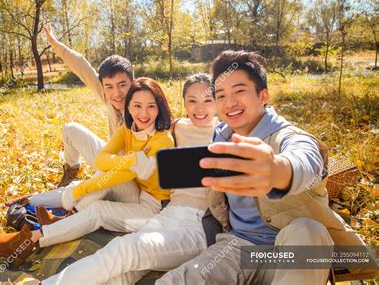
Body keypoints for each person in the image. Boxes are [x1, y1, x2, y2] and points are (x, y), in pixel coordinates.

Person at [156, 50, 371, 284]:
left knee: (308, 230)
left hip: (289, 253)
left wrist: (277, 170)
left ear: (263, 95)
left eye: (239, 91)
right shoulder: (220, 136)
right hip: (238, 248)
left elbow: (307, 158)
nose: (229, 103)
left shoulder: (287, 136)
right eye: (221, 95)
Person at [39, 73, 220, 284]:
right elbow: (144, 122)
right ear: (184, 103)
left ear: (218, 101)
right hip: (168, 214)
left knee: (125, 249)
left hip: (199, 224)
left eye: (208, 100)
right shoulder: (177, 128)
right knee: (126, 271)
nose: (200, 108)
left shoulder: (226, 135)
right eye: (192, 101)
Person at [0, 78, 174, 265]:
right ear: (129, 106)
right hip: (136, 192)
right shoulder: (127, 130)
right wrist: (133, 158)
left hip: (153, 209)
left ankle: (29, 241)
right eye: (137, 105)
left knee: (98, 203)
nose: (144, 113)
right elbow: (101, 160)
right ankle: (44, 207)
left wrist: (81, 191)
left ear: (160, 107)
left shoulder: (162, 140)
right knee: (98, 179)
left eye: (151, 106)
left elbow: (122, 174)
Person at [43, 24, 134, 187]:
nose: (117, 93)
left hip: (131, 179)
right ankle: (71, 172)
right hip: (111, 160)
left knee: (85, 191)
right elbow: (82, 66)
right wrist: (56, 44)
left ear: (132, 83)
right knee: (70, 130)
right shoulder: (108, 95)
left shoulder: (143, 108)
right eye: (110, 87)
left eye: (122, 85)